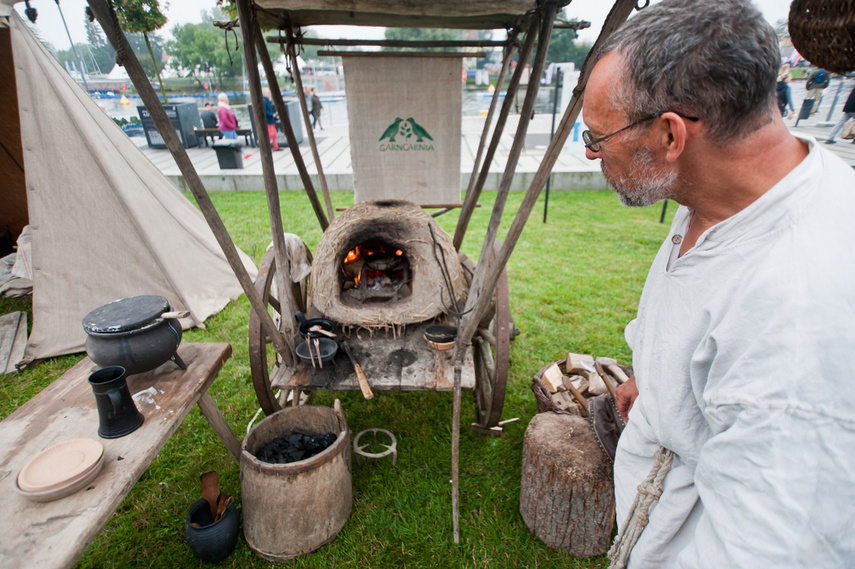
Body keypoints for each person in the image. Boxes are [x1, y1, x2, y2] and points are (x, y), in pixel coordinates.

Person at [582, 0, 855, 566]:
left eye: (596, 138)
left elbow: (767, 549)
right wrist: (654, 381)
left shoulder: (797, 314)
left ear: (669, 135)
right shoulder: (723, 195)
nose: (594, 156)